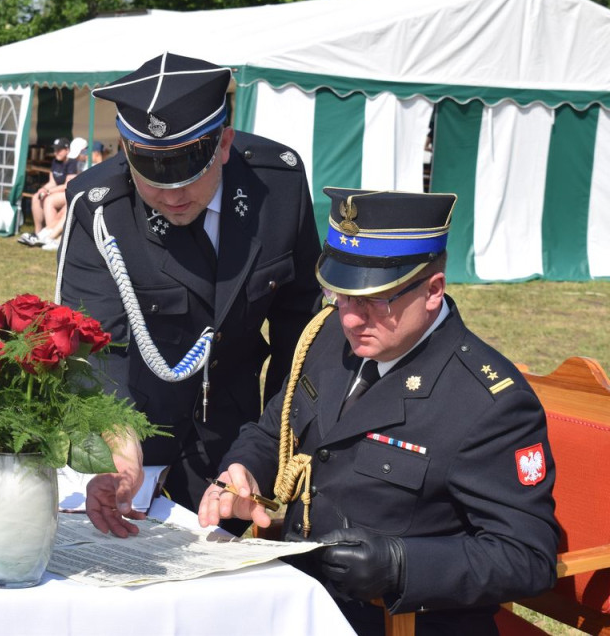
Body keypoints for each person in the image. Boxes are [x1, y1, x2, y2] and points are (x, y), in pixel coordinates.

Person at [198, 188, 559, 635]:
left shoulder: (486, 403)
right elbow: (277, 426)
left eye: (373, 300)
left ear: (433, 290)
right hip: (298, 598)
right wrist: (245, 468)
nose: (350, 317)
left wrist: (400, 565)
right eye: (342, 294)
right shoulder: (332, 336)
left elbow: (528, 557)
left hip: (397, 621)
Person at [56, 52, 322, 534]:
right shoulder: (99, 208)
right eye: (153, 179)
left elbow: (300, 329)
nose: (173, 196)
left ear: (223, 144)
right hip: (136, 434)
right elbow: (92, 348)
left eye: (188, 175)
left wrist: (273, 447)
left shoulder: (278, 184)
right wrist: (120, 451)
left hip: (240, 438)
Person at [17, 137, 79, 247]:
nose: (56, 152)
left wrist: (48, 191)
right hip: (59, 191)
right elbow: (52, 181)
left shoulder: (72, 163)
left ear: (67, 150)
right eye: (55, 149)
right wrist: (43, 189)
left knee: (49, 200)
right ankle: (38, 232)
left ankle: (49, 235)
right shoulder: (55, 162)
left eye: (59, 150)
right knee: (36, 196)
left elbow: (67, 185)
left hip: (69, 192)